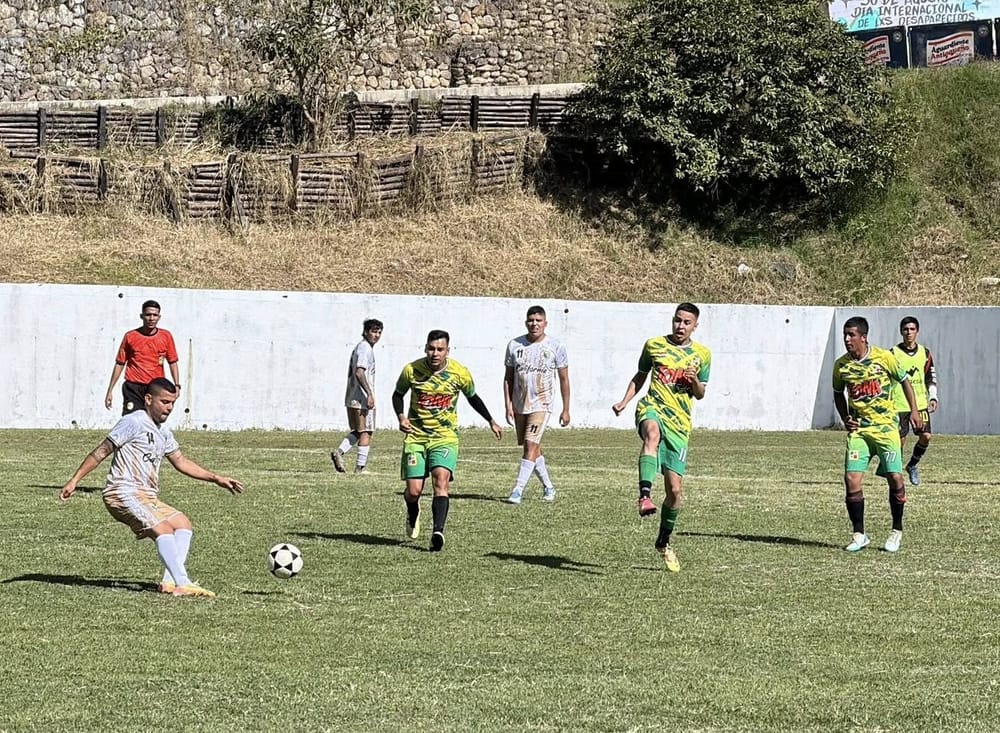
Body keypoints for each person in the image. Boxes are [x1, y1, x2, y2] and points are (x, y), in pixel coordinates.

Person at [61, 378, 243, 598]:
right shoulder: (133, 422)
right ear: (148, 399)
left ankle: (169, 582)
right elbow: (101, 451)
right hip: (122, 492)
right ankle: (183, 583)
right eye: (164, 401)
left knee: (182, 524)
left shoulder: (163, 433)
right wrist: (75, 480)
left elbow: (181, 461)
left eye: (172, 403)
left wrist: (216, 478)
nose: (169, 407)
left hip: (147, 497)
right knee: (164, 529)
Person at [612, 303, 711, 573]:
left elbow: (701, 394)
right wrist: (624, 401)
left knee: (675, 493)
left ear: (695, 325)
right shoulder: (654, 345)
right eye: (677, 320)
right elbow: (641, 376)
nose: (680, 326)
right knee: (651, 436)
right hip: (652, 408)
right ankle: (644, 496)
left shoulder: (702, 355)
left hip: (680, 424)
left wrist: (694, 382)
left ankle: (663, 542)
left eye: (686, 322)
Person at [392, 329, 503, 552]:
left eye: (440, 349)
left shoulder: (459, 373)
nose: (435, 353)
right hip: (416, 436)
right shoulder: (411, 370)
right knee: (414, 492)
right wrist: (401, 416)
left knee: (440, 481)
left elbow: (473, 397)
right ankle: (412, 510)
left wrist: (491, 420)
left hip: (445, 438)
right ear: (425, 348)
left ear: (447, 351)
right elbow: (397, 394)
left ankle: (437, 532)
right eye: (431, 348)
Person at [833, 316, 922, 554]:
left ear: (863, 337)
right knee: (851, 480)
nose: (847, 339)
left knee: (895, 477)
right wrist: (845, 418)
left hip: (886, 430)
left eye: (851, 335)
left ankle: (896, 531)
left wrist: (914, 411)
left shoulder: (884, 358)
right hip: (859, 432)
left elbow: (905, 381)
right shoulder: (841, 366)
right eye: (845, 335)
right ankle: (859, 534)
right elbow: (837, 393)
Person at [503, 305, 570, 504]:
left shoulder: (556, 346)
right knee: (532, 447)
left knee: (530, 445)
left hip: (542, 404)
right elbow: (508, 377)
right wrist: (508, 405)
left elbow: (564, 378)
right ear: (526, 323)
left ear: (545, 323)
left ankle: (517, 490)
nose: (534, 324)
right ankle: (549, 487)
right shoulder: (515, 345)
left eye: (538, 320)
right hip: (520, 403)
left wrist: (566, 408)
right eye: (531, 320)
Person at [105, 300, 180, 415]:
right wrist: (110, 390)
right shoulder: (130, 337)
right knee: (131, 420)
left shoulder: (166, 336)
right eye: (148, 315)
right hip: (133, 387)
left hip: (155, 388)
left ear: (159, 317)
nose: (151, 318)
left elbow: (173, 362)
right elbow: (120, 363)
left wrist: (177, 385)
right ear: (142, 316)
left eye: (155, 315)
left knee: (152, 422)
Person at [890, 316, 938, 486]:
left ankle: (912, 465)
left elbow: (930, 376)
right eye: (905, 329)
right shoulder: (893, 353)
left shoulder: (925, 353)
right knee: (899, 441)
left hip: (920, 403)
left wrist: (933, 396)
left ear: (917, 331)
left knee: (926, 436)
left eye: (912, 329)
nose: (909, 332)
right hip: (899, 403)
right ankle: (894, 473)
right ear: (901, 331)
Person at [331, 319, 384, 474]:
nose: (377, 335)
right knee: (367, 431)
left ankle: (339, 452)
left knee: (358, 430)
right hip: (361, 398)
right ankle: (360, 468)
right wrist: (369, 394)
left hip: (352, 397)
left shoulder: (361, 347)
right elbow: (360, 372)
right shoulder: (365, 349)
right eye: (374, 331)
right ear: (366, 331)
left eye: (379, 332)